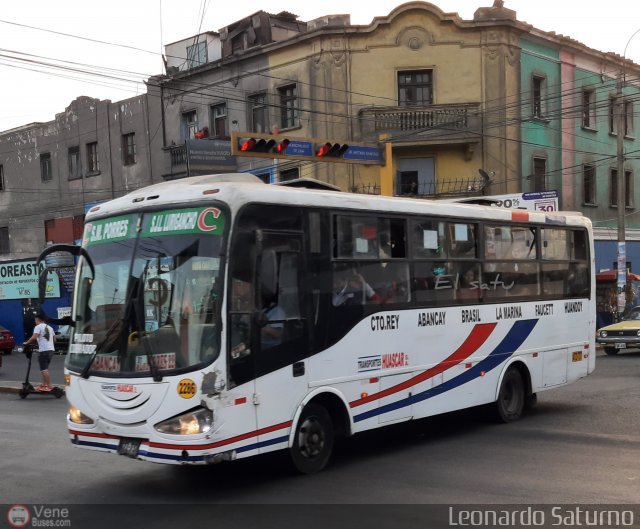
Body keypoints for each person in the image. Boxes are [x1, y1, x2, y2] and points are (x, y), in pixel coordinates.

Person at [23, 314, 56, 391]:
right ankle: (44, 385)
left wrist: (26, 343)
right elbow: (54, 340)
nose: (35, 321)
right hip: (51, 350)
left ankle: (49, 386)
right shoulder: (50, 328)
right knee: (45, 368)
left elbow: (34, 337)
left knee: (44, 369)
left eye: (35, 320)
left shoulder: (38, 327)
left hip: (44, 350)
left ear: (37, 319)